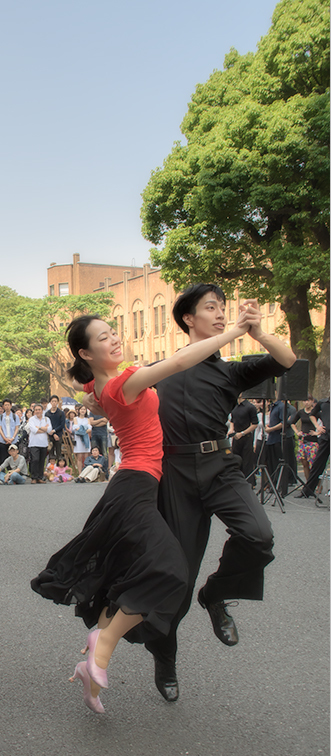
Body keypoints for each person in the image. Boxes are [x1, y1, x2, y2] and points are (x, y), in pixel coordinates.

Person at [32, 305, 255, 713]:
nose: (114, 338)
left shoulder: (100, 388)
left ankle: (93, 673)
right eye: (103, 337)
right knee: (171, 571)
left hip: (136, 483)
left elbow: (94, 399)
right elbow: (181, 360)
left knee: (130, 572)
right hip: (135, 485)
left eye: (112, 331)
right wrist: (235, 331)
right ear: (85, 354)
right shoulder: (124, 383)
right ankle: (104, 642)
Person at [127, 285, 295, 703]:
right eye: (211, 308)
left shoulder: (232, 371)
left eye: (224, 308)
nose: (221, 314)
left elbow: (287, 360)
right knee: (176, 579)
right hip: (175, 474)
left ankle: (216, 594)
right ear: (188, 318)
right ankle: (165, 658)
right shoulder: (161, 368)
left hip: (220, 466)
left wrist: (256, 332)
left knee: (258, 534)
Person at [299, 397, 330, 500]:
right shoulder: (323, 402)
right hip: (326, 437)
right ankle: (308, 490)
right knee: (317, 464)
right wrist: (318, 427)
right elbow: (312, 415)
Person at [228, 395, 259, 484]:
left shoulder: (250, 407)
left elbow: (254, 424)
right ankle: (237, 481)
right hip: (236, 436)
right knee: (236, 459)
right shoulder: (234, 407)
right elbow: (232, 421)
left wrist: (242, 433)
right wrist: (231, 430)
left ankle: (249, 482)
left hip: (246, 436)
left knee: (247, 461)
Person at [289, 398, 319, 481]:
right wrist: (297, 432)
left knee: (313, 463)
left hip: (313, 441)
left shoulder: (315, 412)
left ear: (312, 401)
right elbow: (292, 423)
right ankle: (308, 483)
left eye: (308, 400)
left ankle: (317, 483)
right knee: (304, 463)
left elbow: (325, 423)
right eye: (305, 401)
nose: (307, 403)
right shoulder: (301, 412)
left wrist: (318, 432)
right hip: (303, 440)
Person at [28, 404, 51, 484]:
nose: (38, 411)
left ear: (42, 410)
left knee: (42, 461)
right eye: (36, 410)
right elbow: (33, 430)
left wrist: (39, 427)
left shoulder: (46, 419)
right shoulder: (31, 419)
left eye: (39, 409)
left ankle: (40, 477)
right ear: (34, 411)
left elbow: (49, 429)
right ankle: (34, 477)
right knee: (35, 460)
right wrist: (44, 428)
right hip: (34, 443)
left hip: (43, 443)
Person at [0, 399, 20, 467]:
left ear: (11, 406)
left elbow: (16, 428)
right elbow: (0, 428)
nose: (7, 407)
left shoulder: (15, 416)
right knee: (3, 459)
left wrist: (12, 438)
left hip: (13, 441)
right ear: (3, 406)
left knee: (13, 458)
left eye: (8, 405)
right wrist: (5, 438)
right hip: (3, 441)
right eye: (5, 405)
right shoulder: (1, 416)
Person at [72, 404, 92, 476]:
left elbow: (89, 428)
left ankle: (86, 472)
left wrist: (83, 430)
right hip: (79, 439)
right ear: (79, 410)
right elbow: (76, 427)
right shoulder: (76, 418)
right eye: (81, 409)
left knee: (86, 456)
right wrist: (84, 429)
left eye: (84, 409)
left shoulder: (87, 419)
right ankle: (80, 473)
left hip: (86, 438)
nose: (83, 411)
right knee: (79, 456)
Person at [46, 395, 66, 462]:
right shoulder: (47, 414)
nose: (54, 403)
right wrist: (52, 433)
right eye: (52, 401)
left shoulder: (61, 413)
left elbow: (62, 424)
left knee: (59, 453)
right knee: (51, 453)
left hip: (58, 435)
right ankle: (51, 468)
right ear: (50, 402)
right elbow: (47, 424)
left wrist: (54, 431)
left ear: (57, 402)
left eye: (55, 401)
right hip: (50, 435)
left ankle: (60, 469)